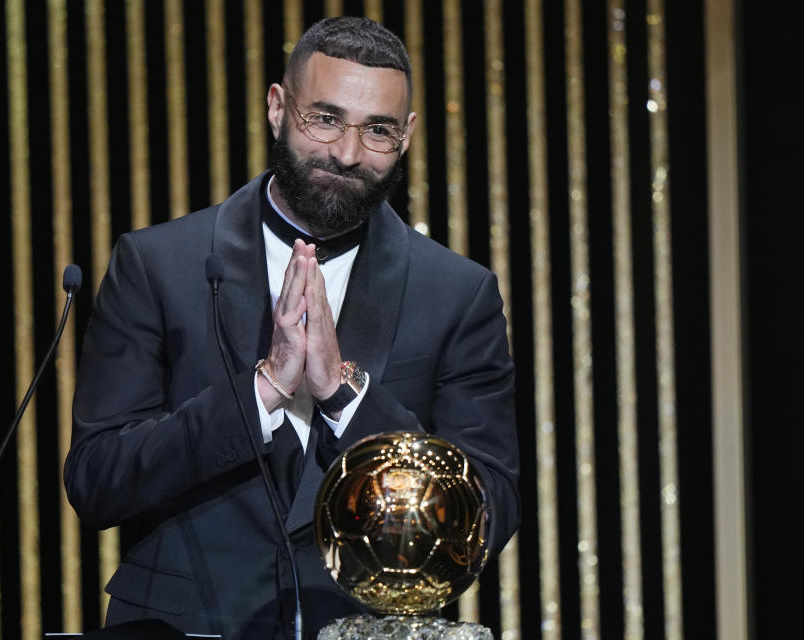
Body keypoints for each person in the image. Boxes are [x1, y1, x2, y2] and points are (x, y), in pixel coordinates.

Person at [65, 16, 519, 639]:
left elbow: (489, 509)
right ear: (278, 108)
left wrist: (345, 396)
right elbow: (97, 481)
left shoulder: (457, 294)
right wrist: (261, 395)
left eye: (377, 131)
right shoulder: (157, 266)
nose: (348, 153)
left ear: (406, 137)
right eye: (324, 119)